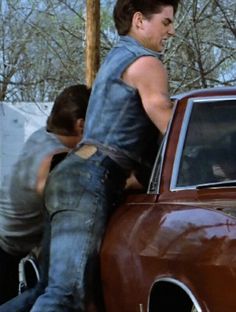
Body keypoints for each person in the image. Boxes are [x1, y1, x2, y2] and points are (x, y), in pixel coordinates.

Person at [30, 0, 179, 311]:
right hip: (89, 181)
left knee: (44, 293)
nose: (172, 31)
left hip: (71, 175)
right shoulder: (146, 62)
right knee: (65, 298)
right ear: (140, 20)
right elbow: (170, 122)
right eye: (166, 22)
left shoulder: (117, 57)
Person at [0, 84, 91, 311]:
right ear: (81, 124)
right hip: (7, 248)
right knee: (44, 292)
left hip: (7, 238)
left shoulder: (42, 136)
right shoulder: (57, 157)